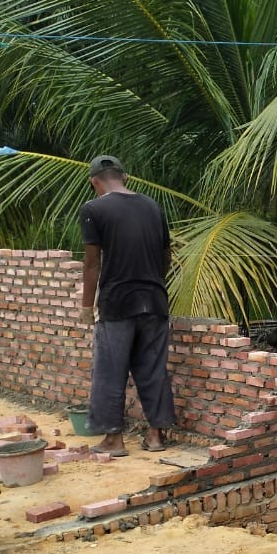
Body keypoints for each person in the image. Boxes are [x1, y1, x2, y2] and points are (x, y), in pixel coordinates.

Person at [78, 154, 175, 457]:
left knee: (110, 371)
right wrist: (150, 284)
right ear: (126, 177)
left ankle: (113, 440)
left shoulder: (93, 209)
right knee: (153, 370)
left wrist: (85, 306)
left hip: (118, 303)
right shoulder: (152, 206)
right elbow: (166, 257)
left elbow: (92, 264)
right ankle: (156, 437)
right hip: (155, 302)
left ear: (95, 182)